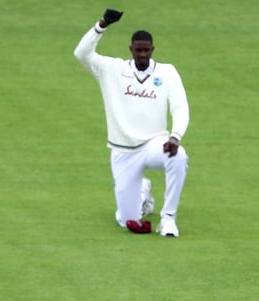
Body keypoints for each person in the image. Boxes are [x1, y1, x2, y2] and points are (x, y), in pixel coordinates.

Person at [74, 8, 190, 237]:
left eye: (147, 50)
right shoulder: (112, 69)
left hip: (154, 143)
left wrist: (175, 136)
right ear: (131, 50)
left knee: (179, 156)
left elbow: (180, 107)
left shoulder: (167, 72)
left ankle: (168, 219)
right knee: (127, 219)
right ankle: (142, 193)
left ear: (153, 50)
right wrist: (102, 25)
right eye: (139, 51)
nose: (143, 55)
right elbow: (81, 53)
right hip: (122, 150)